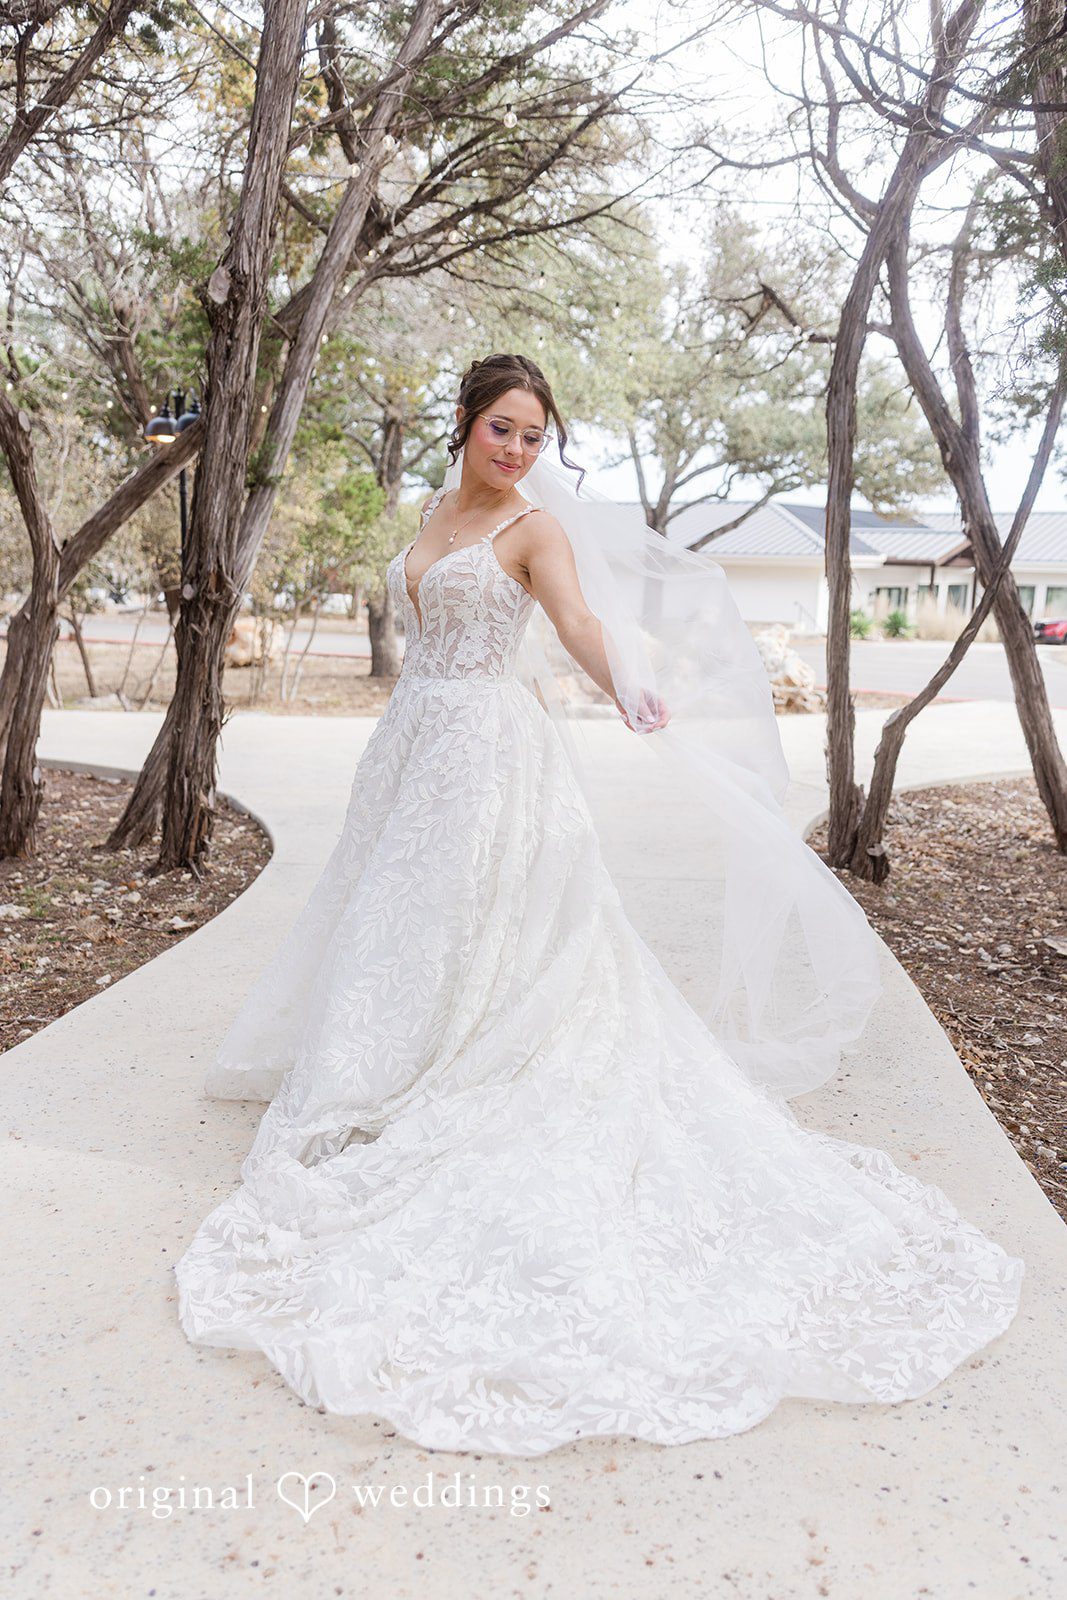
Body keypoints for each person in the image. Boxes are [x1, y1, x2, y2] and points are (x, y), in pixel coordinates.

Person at [175, 353, 1023, 1456]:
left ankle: (466, 1057)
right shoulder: (432, 510)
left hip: (488, 749)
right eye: (501, 429)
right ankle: (386, 1059)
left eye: (533, 435)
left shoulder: (531, 529)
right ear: (465, 422)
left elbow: (572, 620)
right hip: (413, 745)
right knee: (398, 917)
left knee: (483, 922)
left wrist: (626, 682)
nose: (517, 450)